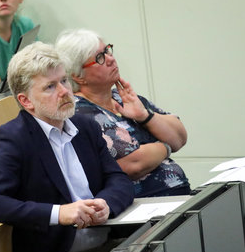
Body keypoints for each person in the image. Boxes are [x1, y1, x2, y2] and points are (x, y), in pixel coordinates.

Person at [0, 42, 134, 252]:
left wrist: (106, 203)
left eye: (64, 82)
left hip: (110, 242)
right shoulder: (12, 139)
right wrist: (58, 213)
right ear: (26, 101)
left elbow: (119, 180)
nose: (64, 92)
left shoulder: (85, 126)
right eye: (50, 87)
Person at [56, 29, 190, 198]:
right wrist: (165, 146)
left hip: (176, 195)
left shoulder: (121, 96)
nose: (111, 59)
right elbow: (133, 164)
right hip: (139, 208)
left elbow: (179, 137)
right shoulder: (79, 113)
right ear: (78, 77)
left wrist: (145, 116)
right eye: (100, 58)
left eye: (107, 51)